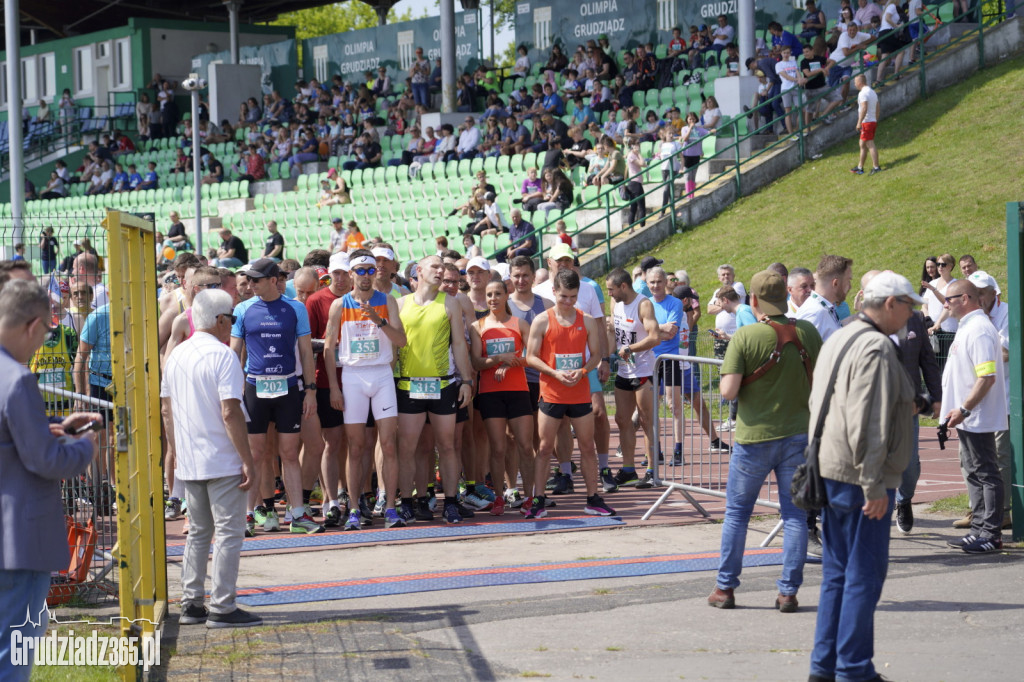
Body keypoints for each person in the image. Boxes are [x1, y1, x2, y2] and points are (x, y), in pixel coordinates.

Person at [808, 271, 918, 682]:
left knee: (838, 572)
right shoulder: (875, 346)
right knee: (864, 575)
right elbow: (868, 423)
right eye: (908, 305)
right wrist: (874, 485)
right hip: (859, 477)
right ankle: (853, 670)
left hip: (833, 468)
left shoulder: (842, 336)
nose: (911, 315)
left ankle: (825, 667)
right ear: (890, 303)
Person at [0, 280, 100, 681]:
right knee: (14, 647)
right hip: (20, 540)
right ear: (32, 326)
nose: (41, 344)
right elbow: (42, 459)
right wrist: (85, 446)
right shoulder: (18, 379)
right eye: (43, 334)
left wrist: (54, 425)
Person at [708, 271, 822, 612]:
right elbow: (818, 379)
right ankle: (788, 591)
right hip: (797, 435)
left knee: (737, 515)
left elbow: (728, 391)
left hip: (754, 437)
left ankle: (725, 588)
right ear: (786, 297)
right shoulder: (808, 332)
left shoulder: (746, 336)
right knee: (795, 517)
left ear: (753, 300)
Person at [161, 289, 261, 629]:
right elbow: (230, 412)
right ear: (220, 320)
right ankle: (222, 605)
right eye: (230, 319)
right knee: (229, 533)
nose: (231, 324)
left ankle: (192, 603)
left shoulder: (175, 355)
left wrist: (177, 452)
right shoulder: (223, 355)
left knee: (198, 533)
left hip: (191, 459)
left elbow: (166, 409)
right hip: (221, 458)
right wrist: (247, 459)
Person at [230, 258, 323, 536]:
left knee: (289, 454)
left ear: (274, 280)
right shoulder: (243, 309)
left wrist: (310, 391)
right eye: (248, 280)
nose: (250, 285)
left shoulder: (295, 308)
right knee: (256, 454)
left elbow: (306, 353)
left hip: (288, 388)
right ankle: (247, 516)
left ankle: (297, 516)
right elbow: (234, 352)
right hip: (255, 388)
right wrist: (231, 391)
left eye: (256, 280)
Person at [324, 249, 408, 529]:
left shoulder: (388, 301)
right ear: (351, 274)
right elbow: (327, 348)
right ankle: (355, 508)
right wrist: (334, 388)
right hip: (353, 376)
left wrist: (378, 319)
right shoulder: (340, 305)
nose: (365, 276)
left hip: (381, 374)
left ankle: (391, 508)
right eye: (360, 270)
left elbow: (402, 341)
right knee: (356, 447)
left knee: (388, 445)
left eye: (370, 270)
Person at [525, 268, 615, 518]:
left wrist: (584, 370)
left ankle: (592, 499)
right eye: (563, 296)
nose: (567, 302)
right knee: (544, 448)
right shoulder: (542, 320)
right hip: (552, 393)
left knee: (587, 446)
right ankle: (539, 500)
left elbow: (596, 354)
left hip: (579, 393)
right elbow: (530, 357)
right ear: (554, 292)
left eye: (572, 297)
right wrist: (554, 373)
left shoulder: (585, 320)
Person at [394, 255, 475, 524]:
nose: (440, 271)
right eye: (435, 267)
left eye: (443, 267)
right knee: (408, 448)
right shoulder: (400, 304)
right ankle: (408, 502)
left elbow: (459, 345)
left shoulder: (450, 303)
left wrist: (466, 381)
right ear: (419, 271)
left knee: (448, 446)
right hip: (408, 385)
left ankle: (450, 503)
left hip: (443, 385)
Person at [941, 279, 1007, 552]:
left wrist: (965, 408)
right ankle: (980, 529)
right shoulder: (968, 326)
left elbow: (987, 376)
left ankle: (990, 534)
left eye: (950, 299)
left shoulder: (979, 329)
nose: (945, 304)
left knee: (986, 472)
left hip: (976, 415)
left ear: (965, 298)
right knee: (976, 472)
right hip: (968, 416)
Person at [469, 280, 535, 516]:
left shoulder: (520, 324)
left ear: (507, 295)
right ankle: (499, 496)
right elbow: (476, 362)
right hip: (490, 393)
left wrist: (512, 361)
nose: (493, 298)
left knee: (525, 446)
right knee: (497, 448)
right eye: (489, 295)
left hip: (518, 391)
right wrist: (500, 359)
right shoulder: (478, 326)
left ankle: (529, 497)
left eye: (497, 293)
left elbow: (534, 355)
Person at [606, 268, 661, 488]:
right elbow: (614, 334)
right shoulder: (615, 304)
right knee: (622, 420)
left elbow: (655, 337)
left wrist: (631, 348)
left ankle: (651, 470)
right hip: (623, 370)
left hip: (643, 371)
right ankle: (628, 469)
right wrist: (604, 358)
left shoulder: (643, 304)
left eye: (611, 289)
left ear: (623, 286)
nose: (609, 294)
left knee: (647, 420)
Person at [852, 74, 882, 175]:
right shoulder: (872, 92)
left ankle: (876, 167)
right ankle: (860, 167)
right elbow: (878, 107)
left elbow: (864, 108)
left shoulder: (863, 93)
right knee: (862, 144)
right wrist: (875, 120)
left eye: (855, 82)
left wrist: (859, 122)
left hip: (867, 122)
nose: (854, 84)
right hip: (872, 121)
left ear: (860, 83)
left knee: (870, 144)